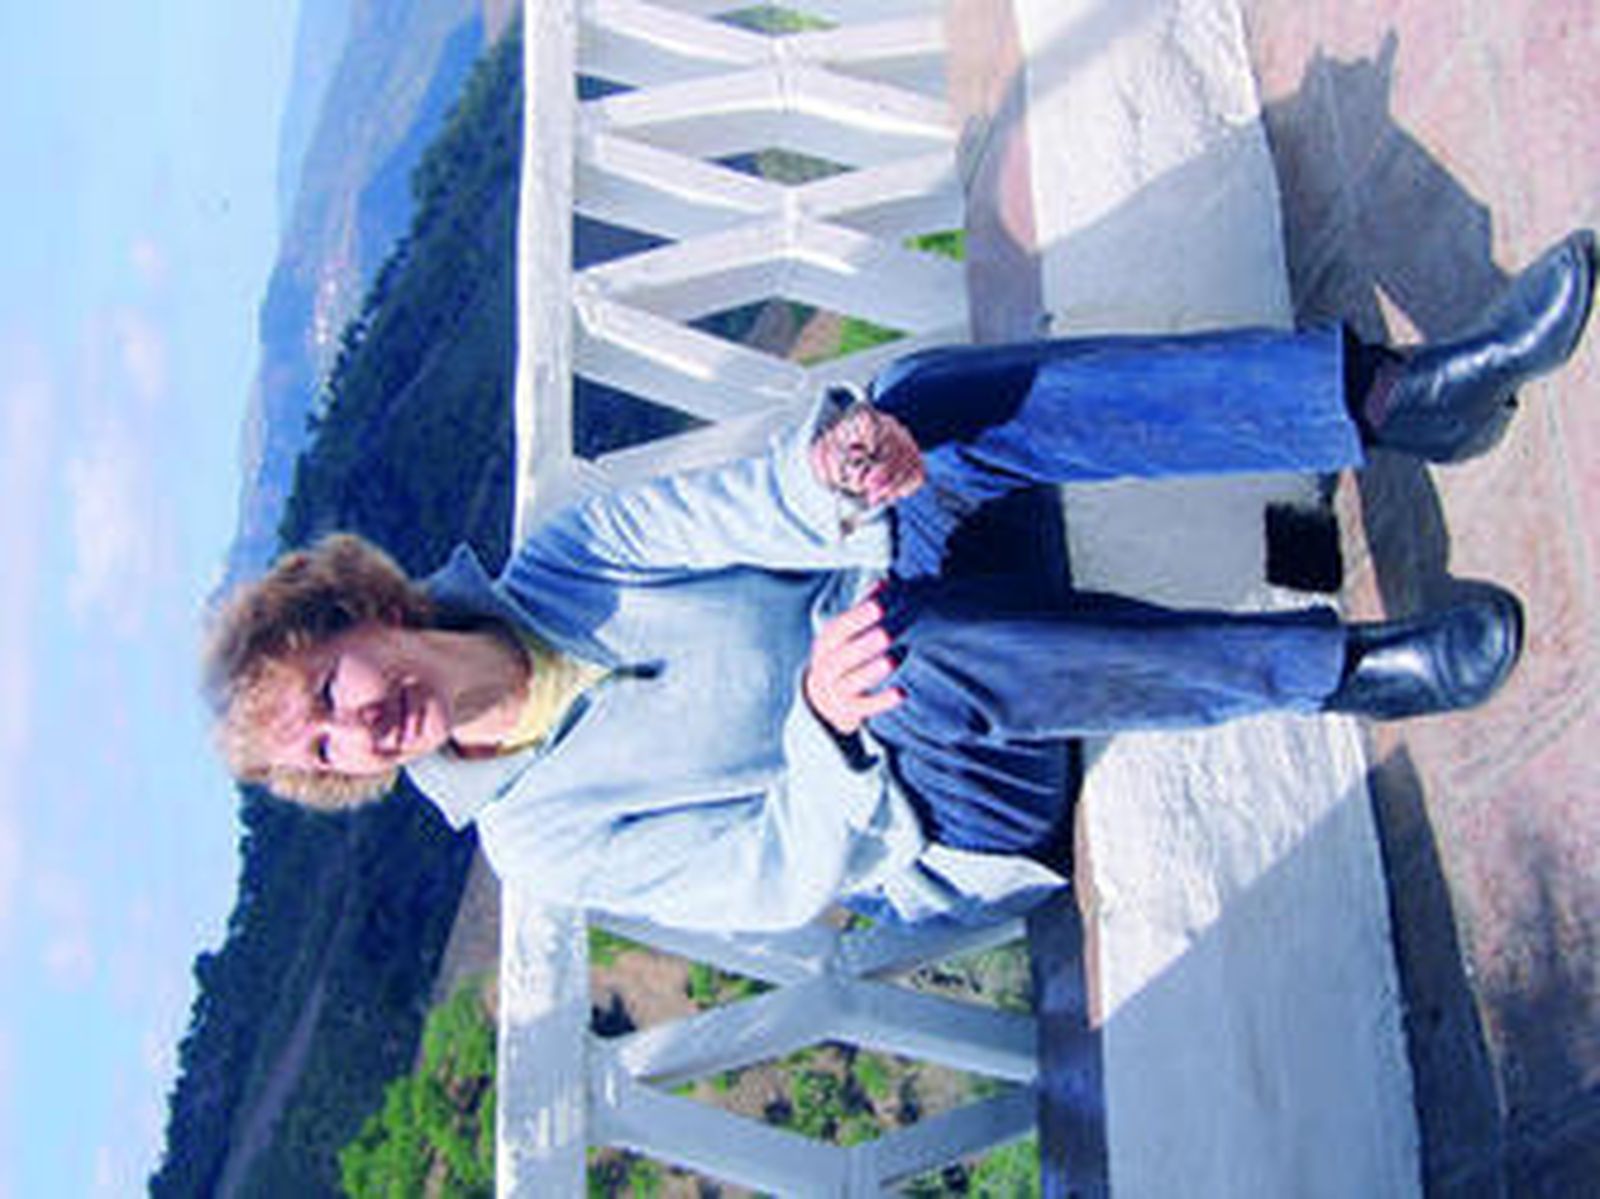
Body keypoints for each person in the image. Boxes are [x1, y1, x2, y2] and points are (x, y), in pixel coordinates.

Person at [205, 231, 1595, 931]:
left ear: (366, 613)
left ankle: (1399, 395)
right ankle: (1346, 673)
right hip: (940, 816)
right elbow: (772, 877)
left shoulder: (563, 558)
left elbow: (731, 507)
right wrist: (820, 725)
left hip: (914, 615)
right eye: (323, 749)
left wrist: (839, 472)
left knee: (925, 399)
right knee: (910, 659)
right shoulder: (541, 843)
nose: (356, 728)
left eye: (328, 689)